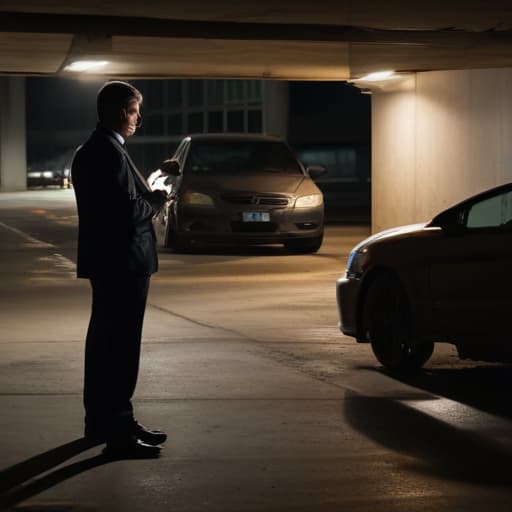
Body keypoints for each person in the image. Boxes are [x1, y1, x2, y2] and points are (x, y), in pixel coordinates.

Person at [72, 81, 168, 458]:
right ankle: (117, 431)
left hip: (110, 261)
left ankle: (108, 421)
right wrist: (156, 201)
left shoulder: (98, 150)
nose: (137, 118)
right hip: (123, 262)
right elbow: (124, 212)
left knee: (104, 345)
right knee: (120, 347)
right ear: (115, 111)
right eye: (132, 110)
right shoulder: (107, 153)